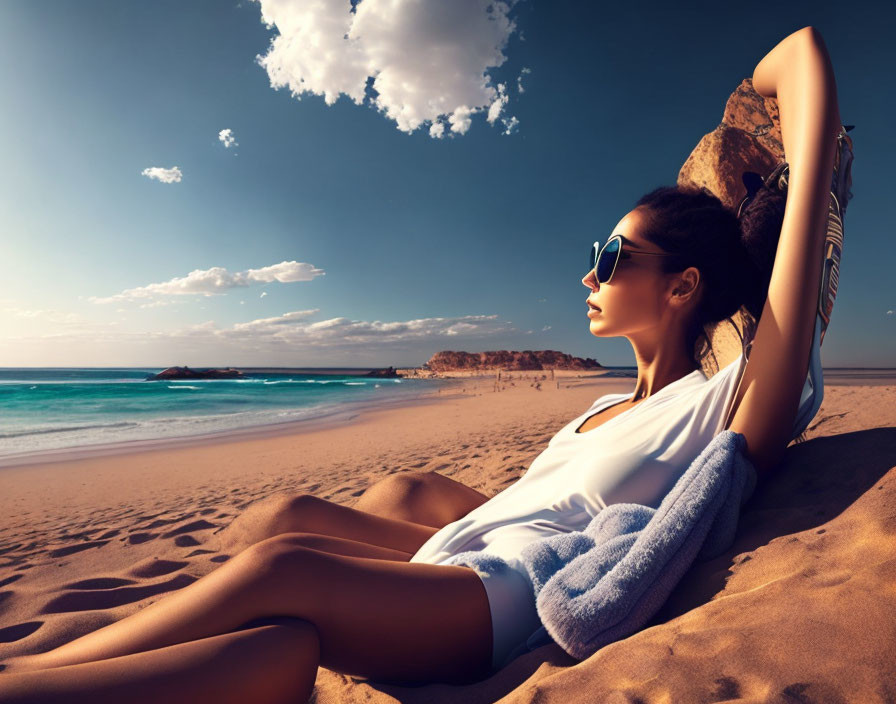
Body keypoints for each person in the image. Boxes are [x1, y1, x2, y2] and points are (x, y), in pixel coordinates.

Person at [0, 26, 843, 704]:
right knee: (282, 552)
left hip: (500, 601)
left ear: (682, 285)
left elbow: (799, 56)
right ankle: (259, 672)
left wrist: (794, 143)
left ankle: (27, 682)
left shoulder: (725, 397)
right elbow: (539, 503)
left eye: (613, 254)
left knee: (280, 567)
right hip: (462, 557)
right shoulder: (600, 409)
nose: (589, 273)